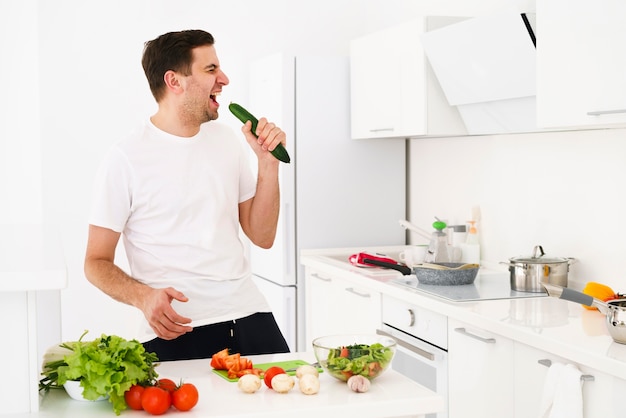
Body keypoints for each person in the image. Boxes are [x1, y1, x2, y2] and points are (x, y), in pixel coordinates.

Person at [84, 29, 290, 361]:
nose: (224, 79)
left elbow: (263, 236)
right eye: (210, 70)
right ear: (174, 81)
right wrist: (143, 297)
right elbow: (95, 262)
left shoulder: (227, 142)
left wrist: (268, 164)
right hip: (177, 327)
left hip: (250, 314)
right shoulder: (125, 158)